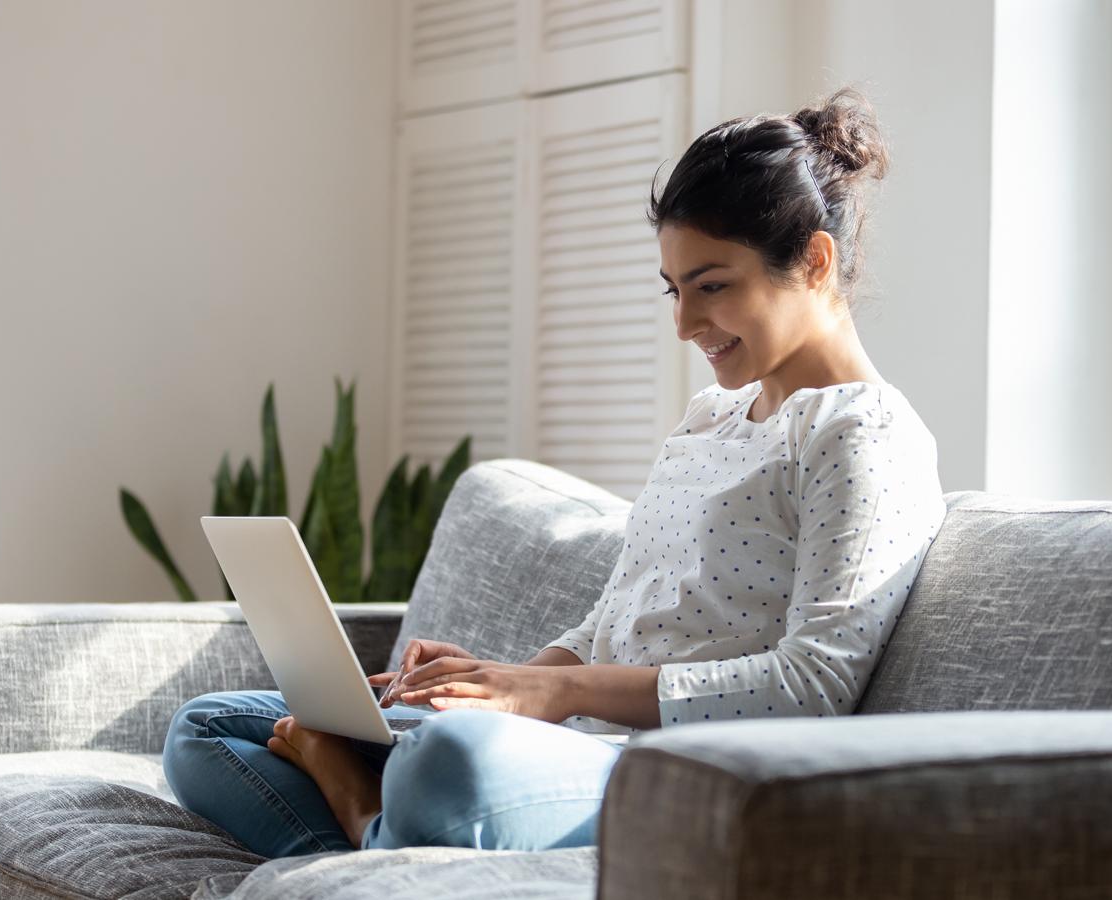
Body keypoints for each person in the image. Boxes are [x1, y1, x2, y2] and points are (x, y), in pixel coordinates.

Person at [160, 84, 947, 859]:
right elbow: (614, 622)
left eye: (712, 287)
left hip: (683, 774)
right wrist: (498, 683)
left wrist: (553, 696)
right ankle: (375, 852)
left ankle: (363, 815)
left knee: (448, 765)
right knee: (209, 726)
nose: (684, 324)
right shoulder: (711, 417)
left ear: (813, 260)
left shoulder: (863, 435)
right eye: (674, 291)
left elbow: (811, 689)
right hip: (573, 748)